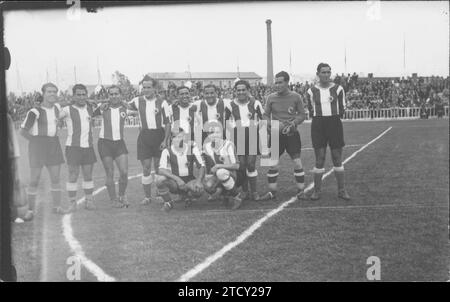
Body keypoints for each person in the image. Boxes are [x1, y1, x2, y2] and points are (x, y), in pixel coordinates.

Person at [260, 71, 307, 201]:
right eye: (276, 82)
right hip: (275, 134)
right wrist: (269, 123)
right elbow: (265, 115)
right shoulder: (271, 98)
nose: (277, 85)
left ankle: (301, 191)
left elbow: (302, 115)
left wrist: (293, 123)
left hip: (291, 133)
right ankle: (272, 192)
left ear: (287, 82)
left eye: (280, 82)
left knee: (297, 163)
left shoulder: (296, 97)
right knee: (273, 164)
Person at [305, 63, 350, 201]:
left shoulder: (338, 89)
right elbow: (310, 108)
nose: (326, 75)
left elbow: (342, 108)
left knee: (337, 157)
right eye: (323, 72)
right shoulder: (311, 91)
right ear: (318, 74)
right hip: (318, 124)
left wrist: (333, 116)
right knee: (320, 158)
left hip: (334, 123)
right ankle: (317, 191)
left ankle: (342, 190)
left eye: (328, 72)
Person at [19, 83, 66, 215]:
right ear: (43, 94)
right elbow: (22, 131)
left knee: (55, 178)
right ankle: (30, 210)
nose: (52, 94)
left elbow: (60, 120)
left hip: (54, 144)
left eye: (54, 92)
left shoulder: (57, 108)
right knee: (35, 179)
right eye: (49, 92)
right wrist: (35, 141)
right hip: (38, 145)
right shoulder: (34, 111)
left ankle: (57, 207)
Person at [127, 75, 170, 205]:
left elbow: (168, 123)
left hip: (158, 136)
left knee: (158, 167)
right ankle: (147, 197)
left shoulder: (162, 102)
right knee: (146, 168)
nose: (146, 90)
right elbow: (123, 105)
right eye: (144, 87)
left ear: (154, 88)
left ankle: (159, 193)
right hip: (144, 136)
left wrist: (165, 140)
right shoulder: (137, 100)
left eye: (149, 87)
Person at [59, 84, 98, 212]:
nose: (81, 97)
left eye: (83, 94)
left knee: (88, 175)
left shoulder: (91, 108)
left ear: (86, 95)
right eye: (78, 95)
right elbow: (54, 116)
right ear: (74, 96)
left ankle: (89, 201)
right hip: (73, 147)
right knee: (73, 175)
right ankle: (72, 203)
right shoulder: (67, 109)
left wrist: (93, 101)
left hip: (88, 147)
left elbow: (106, 104)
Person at [224, 80, 265, 201]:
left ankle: (255, 192)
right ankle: (245, 191)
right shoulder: (230, 105)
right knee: (242, 166)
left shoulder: (255, 103)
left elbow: (263, 120)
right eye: (238, 90)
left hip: (252, 134)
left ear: (248, 90)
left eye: (243, 90)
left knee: (251, 164)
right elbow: (225, 122)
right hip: (238, 135)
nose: (241, 92)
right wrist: (229, 139)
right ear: (235, 91)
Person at [93, 85, 130, 208]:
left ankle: (122, 195)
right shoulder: (103, 107)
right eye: (111, 94)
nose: (114, 96)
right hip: (105, 143)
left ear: (120, 95)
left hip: (119, 143)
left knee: (124, 172)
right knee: (110, 172)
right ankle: (113, 200)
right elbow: (90, 113)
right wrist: (99, 105)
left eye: (116, 94)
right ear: (108, 96)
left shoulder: (126, 108)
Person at [156, 127, 205, 212]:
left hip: (189, 181)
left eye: (180, 137)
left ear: (184, 137)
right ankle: (168, 202)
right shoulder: (167, 151)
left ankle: (189, 197)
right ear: (171, 138)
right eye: (175, 137)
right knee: (159, 180)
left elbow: (201, 166)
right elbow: (161, 170)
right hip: (175, 183)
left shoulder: (192, 148)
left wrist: (199, 181)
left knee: (199, 189)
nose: (177, 139)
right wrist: (177, 179)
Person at [202, 124, 243, 210]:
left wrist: (218, 166)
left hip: (233, 174)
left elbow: (236, 166)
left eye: (217, 132)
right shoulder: (206, 146)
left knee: (220, 172)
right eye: (211, 133)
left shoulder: (228, 145)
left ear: (222, 133)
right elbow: (207, 165)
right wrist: (207, 175)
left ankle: (237, 196)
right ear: (208, 135)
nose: (214, 135)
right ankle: (225, 195)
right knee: (207, 185)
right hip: (217, 175)